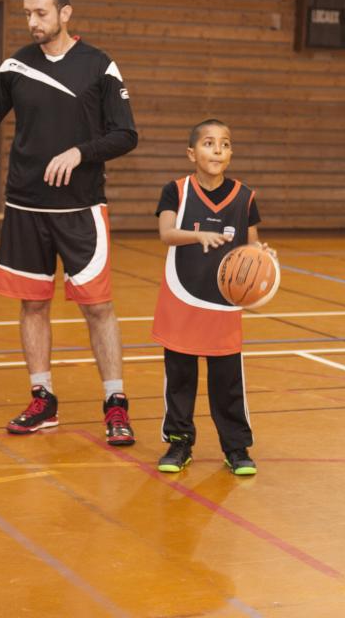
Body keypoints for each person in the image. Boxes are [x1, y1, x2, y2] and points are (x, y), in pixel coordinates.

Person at [0, 0, 139, 442]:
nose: (33, 22)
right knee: (33, 304)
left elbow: (125, 134)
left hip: (81, 209)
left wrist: (81, 152)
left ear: (65, 14)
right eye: (27, 14)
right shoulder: (15, 66)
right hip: (25, 206)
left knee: (99, 308)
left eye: (41, 13)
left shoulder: (99, 66)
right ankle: (43, 399)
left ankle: (115, 404)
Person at [151, 119, 266, 476]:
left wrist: (263, 258)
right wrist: (197, 237)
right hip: (181, 299)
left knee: (228, 382)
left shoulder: (245, 196)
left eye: (225, 144)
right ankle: (179, 441)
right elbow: (167, 233)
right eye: (209, 143)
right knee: (180, 379)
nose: (218, 150)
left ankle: (236, 448)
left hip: (223, 303)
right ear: (191, 153)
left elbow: (252, 245)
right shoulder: (176, 190)